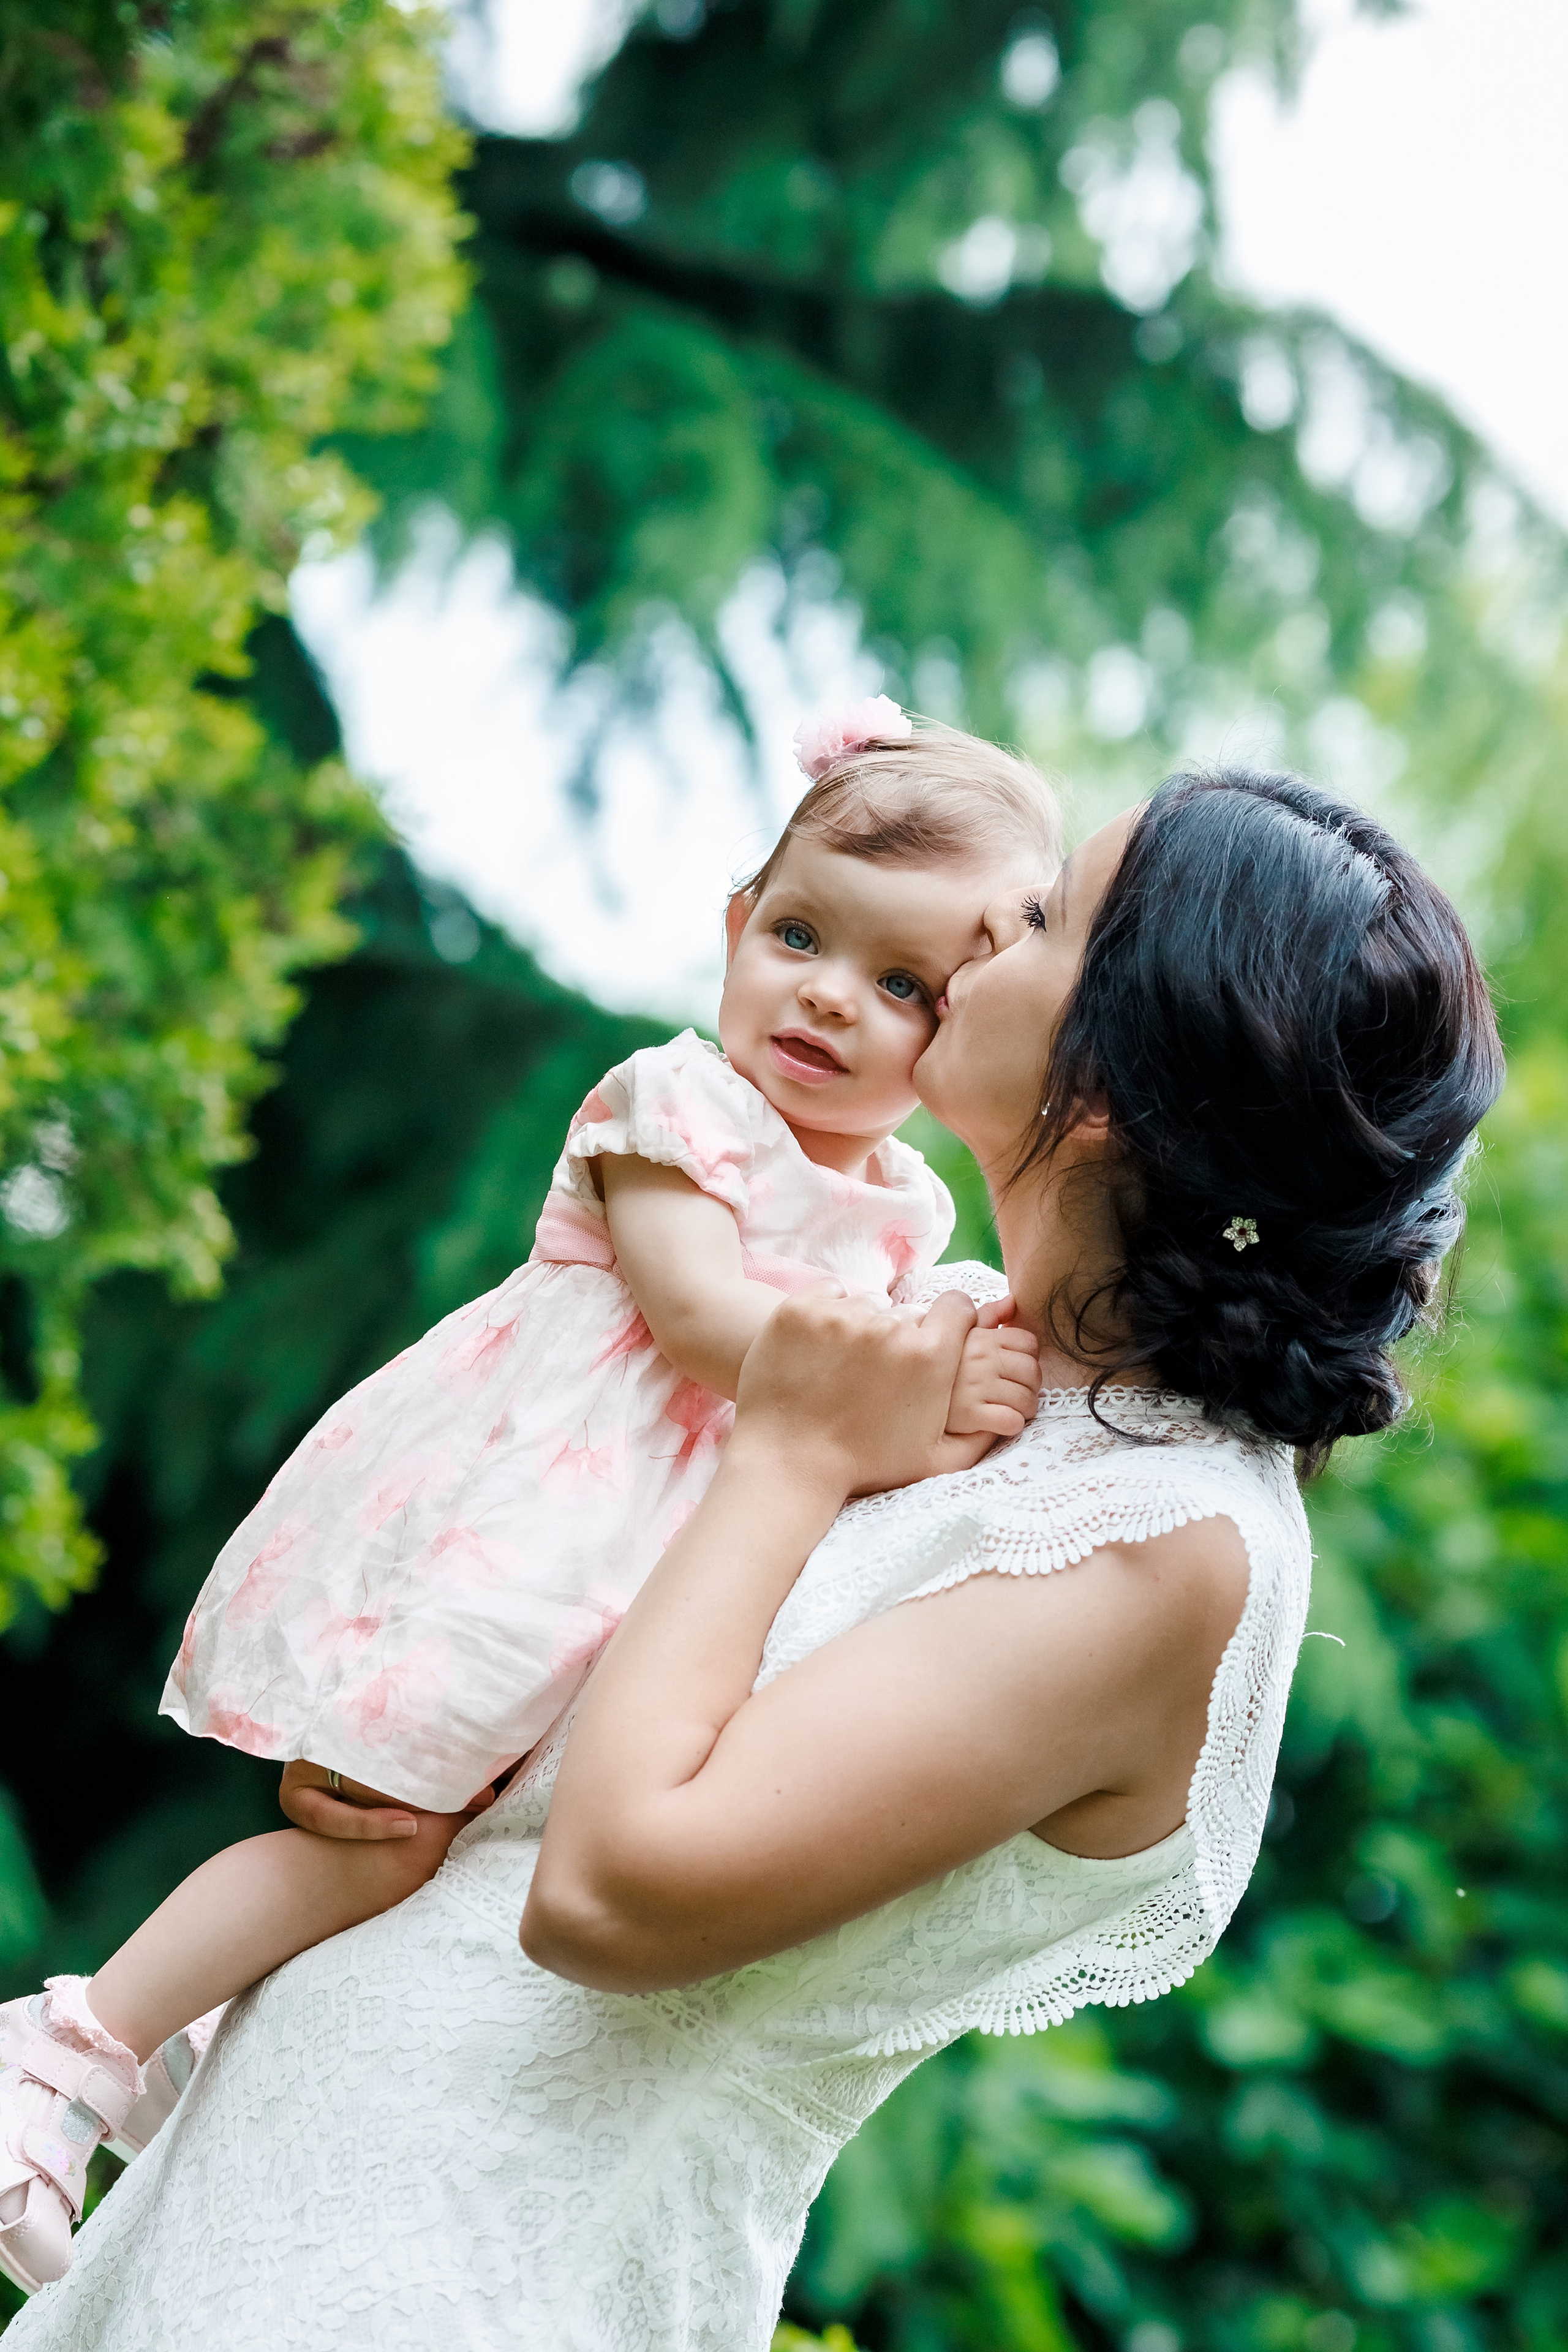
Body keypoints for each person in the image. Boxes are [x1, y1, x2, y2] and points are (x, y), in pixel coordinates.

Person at [2, 768, 1502, 2352]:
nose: (984, 943)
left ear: (1127, 1077)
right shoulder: (942, 1346)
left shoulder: (1159, 1543)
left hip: (463, 2268)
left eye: (1049, 918)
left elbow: (610, 1892)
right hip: (281, 2190)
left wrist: (791, 1451)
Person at [0, 702, 1058, 2295]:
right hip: (524, 1539)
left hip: (642, 1598)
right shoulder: (675, 1107)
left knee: (455, 1861)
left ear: (962, 1027)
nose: (830, 998)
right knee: (377, 1839)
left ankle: (199, 2036)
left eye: (902, 985)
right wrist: (907, 1407)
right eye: (800, 936)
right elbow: (706, 1326)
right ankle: (72, 2051)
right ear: (733, 924)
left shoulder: (906, 1209)